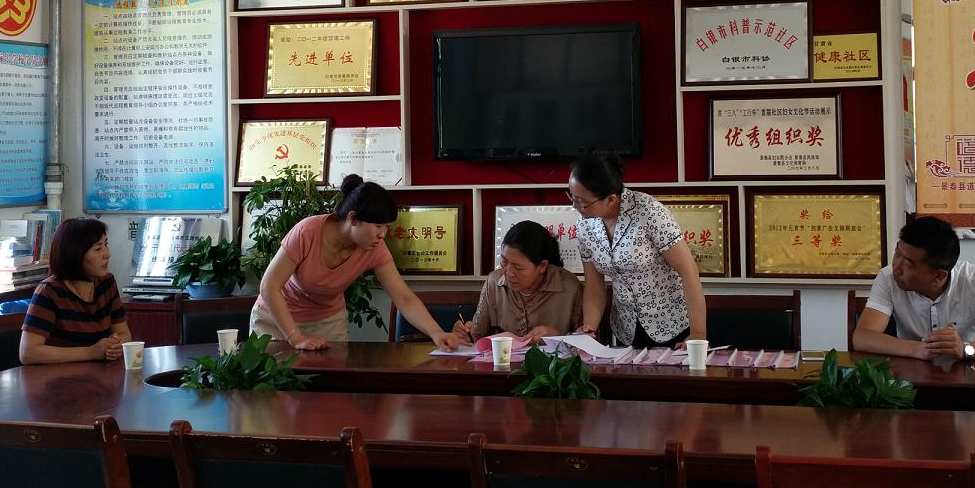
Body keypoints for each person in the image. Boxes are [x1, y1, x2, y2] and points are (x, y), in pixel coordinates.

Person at [250, 174, 461, 351]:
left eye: (386, 227)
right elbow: (269, 286)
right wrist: (295, 337)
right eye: (378, 226)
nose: (383, 234)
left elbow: (404, 298)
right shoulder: (307, 231)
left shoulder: (375, 248)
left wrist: (436, 333)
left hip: (327, 323)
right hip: (277, 321)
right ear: (353, 218)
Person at [569, 154, 707, 347]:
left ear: (610, 199)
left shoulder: (649, 212)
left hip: (672, 323)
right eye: (571, 196)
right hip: (626, 327)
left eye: (581, 201)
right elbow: (594, 284)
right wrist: (589, 328)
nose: (574, 206)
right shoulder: (585, 224)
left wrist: (698, 334)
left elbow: (688, 271)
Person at [852, 216, 975, 361]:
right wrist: (918, 349)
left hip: (967, 376)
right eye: (897, 253)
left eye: (908, 264)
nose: (896, 267)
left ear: (939, 275)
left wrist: (964, 349)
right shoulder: (888, 277)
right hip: (910, 378)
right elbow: (862, 337)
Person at [19, 217, 133, 364]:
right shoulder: (49, 291)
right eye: (97, 248)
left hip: (99, 373)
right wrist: (90, 352)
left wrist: (115, 346)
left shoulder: (107, 283)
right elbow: (28, 352)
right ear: (75, 254)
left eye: (106, 245)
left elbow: (124, 333)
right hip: (59, 376)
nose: (107, 254)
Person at [451, 220, 583, 347]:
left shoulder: (569, 287)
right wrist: (464, 334)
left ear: (542, 266)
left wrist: (558, 338)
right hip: (502, 362)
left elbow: (587, 339)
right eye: (504, 262)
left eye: (518, 267)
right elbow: (477, 335)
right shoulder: (494, 283)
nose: (508, 273)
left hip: (553, 362)